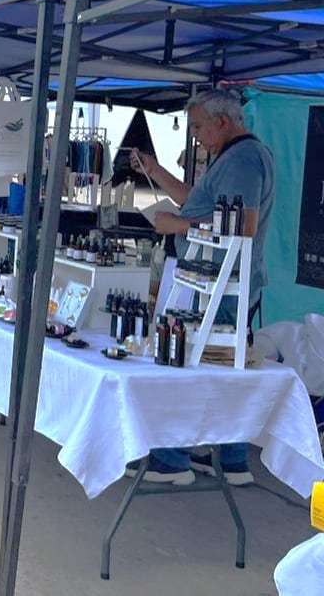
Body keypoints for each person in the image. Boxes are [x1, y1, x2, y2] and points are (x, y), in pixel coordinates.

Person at [129, 89, 274, 486]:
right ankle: (229, 457)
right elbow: (200, 201)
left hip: (220, 283)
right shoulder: (233, 158)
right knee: (221, 368)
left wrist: (178, 225)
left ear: (222, 121)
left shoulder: (243, 159)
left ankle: (173, 457)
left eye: (197, 126)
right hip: (218, 280)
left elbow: (239, 225)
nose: (194, 136)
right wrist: (156, 173)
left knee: (188, 362)